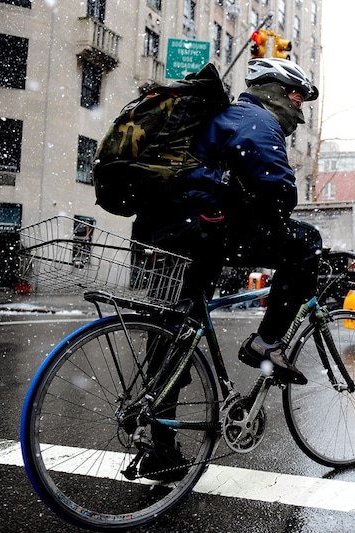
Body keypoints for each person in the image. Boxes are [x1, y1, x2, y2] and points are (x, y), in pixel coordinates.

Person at [132, 58, 323, 386]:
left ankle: (154, 417)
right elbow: (280, 193)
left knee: (178, 326)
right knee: (307, 243)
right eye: (296, 101)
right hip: (200, 230)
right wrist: (262, 214)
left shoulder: (225, 116)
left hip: (164, 228)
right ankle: (266, 344)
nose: (300, 114)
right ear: (276, 92)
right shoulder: (257, 120)